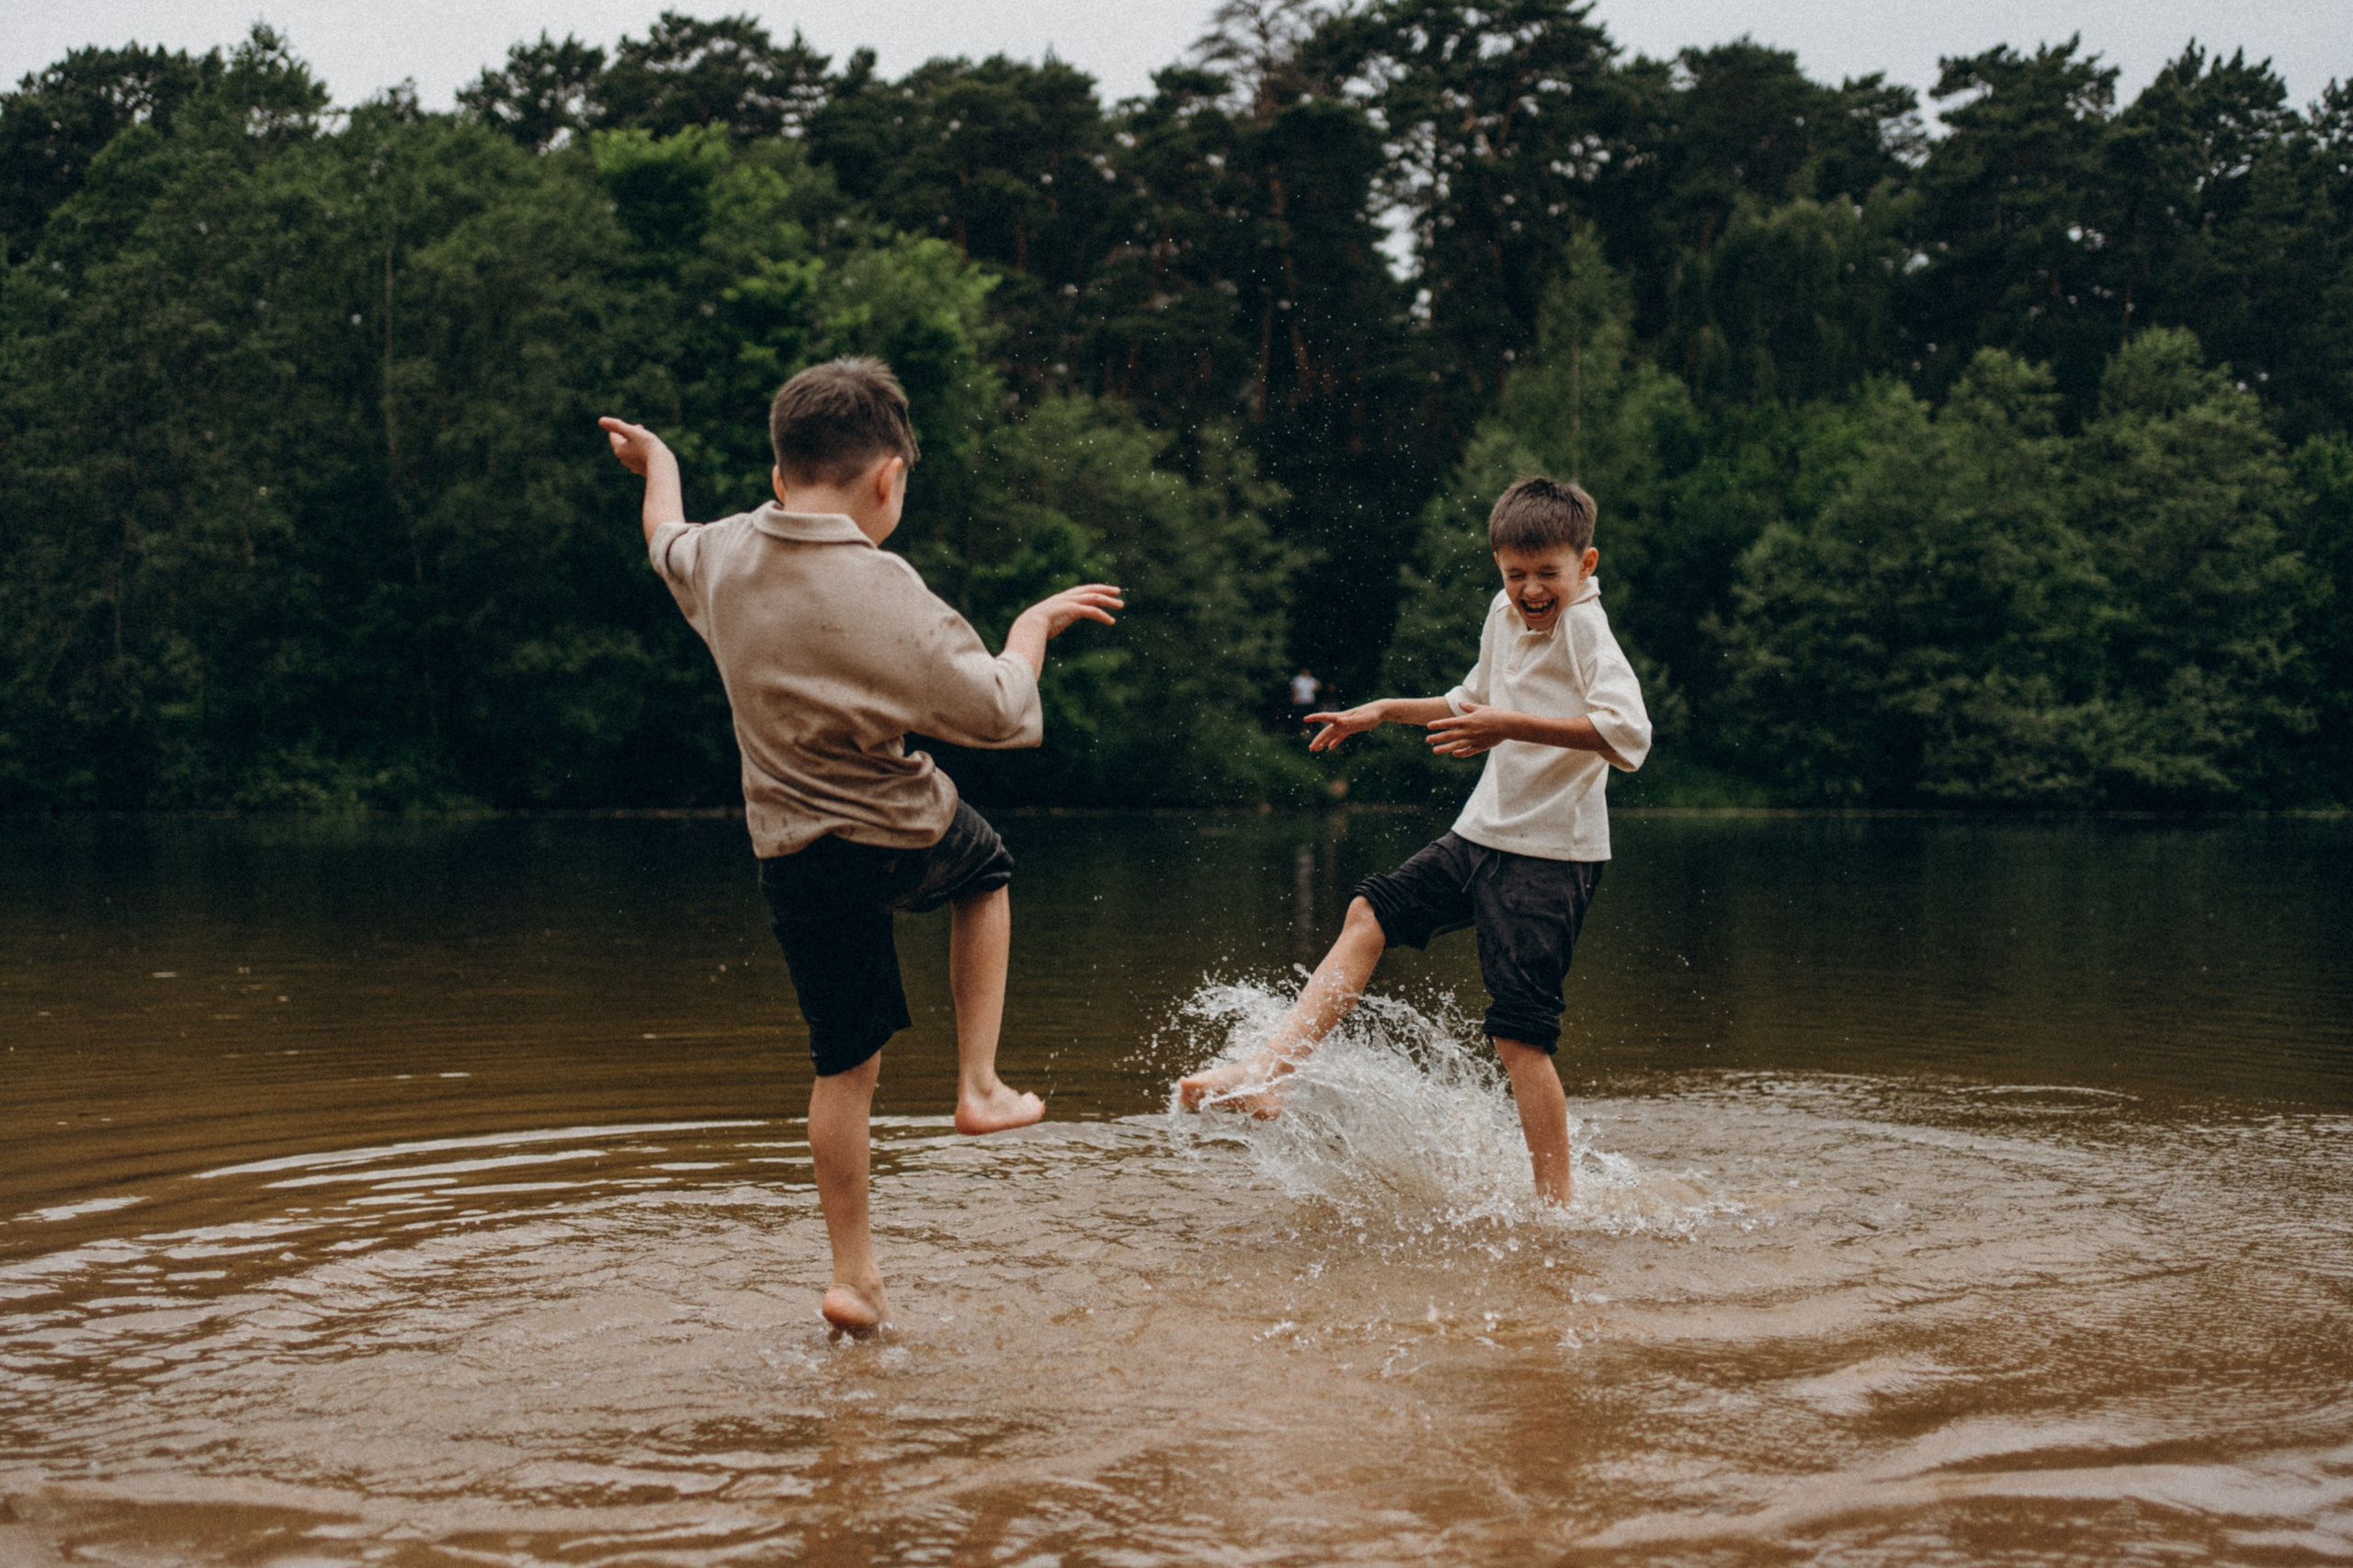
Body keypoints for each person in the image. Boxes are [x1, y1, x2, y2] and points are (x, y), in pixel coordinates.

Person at [599, 358, 1121, 1333]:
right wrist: (1032, 625)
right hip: (894, 827)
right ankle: (978, 1083)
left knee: (844, 1064)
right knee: (986, 868)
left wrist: (657, 459)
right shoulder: (886, 590)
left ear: (778, 469)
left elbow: (662, 534)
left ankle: (853, 1277)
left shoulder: (721, 555)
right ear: (888, 478)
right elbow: (1000, 710)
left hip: (790, 853)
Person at [1178, 477, 1648, 1207]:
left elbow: (1627, 735)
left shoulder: (1586, 628)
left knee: (1520, 1039)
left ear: (1585, 566)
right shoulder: (1503, 613)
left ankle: (1557, 1212)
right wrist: (1381, 712)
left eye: (1546, 573)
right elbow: (1471, 700)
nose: (1530, 590)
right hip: (1481, 834)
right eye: (1514, 573)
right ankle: (1270, 1075)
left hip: (1550, 856)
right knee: (1369, 912)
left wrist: (1506, 725)